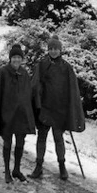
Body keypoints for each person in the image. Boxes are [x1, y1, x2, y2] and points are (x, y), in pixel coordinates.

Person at [30, 35, 85, 180]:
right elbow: (34, 84)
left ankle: (62, 166)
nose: (53, 51)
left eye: (56, 49)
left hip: (59, 109)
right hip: (44, 108)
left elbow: (72, 89)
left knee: (58, 138)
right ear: (48, 50)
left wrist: (69, 107)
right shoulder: (41, 64)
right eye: (51, 49)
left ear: (60, 50)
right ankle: (38, 166)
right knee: (41, 138)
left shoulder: (66, 67)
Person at [0, 44, 35, 183]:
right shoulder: (3, 72)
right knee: (7, 142)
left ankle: (16, 170)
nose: (16, 60)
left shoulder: (24, 74)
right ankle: (7, 171)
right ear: (10, 58)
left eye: (19, 57)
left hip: (21, 115)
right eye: (14, 57)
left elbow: (28, 94)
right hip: (7, 114)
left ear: (22, 59)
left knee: (20, 142)